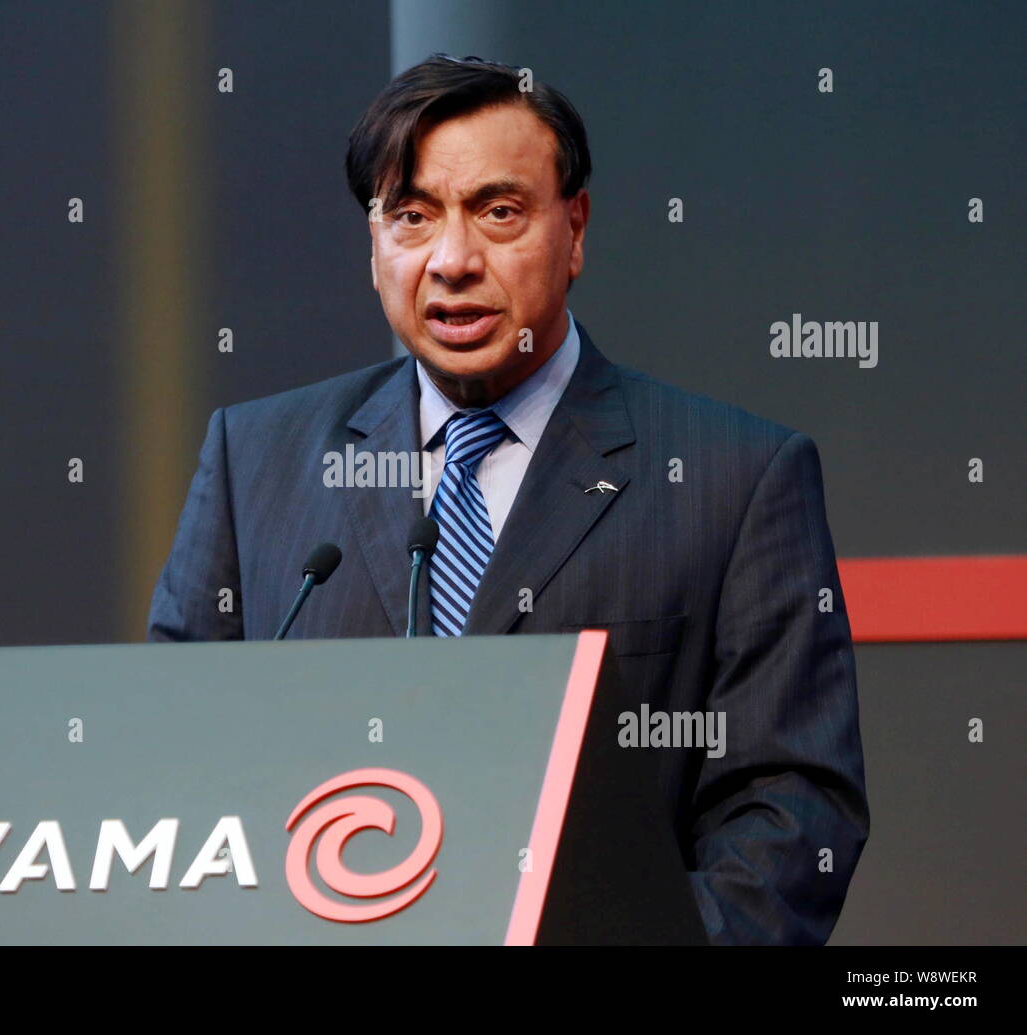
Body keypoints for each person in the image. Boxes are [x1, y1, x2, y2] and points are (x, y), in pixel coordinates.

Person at [148, 53, 868, 945]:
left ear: (575, 230)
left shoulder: (735, 476)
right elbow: (170, 764)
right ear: (374, 244)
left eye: (498, 212)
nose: (452, 260)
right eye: (411, 216)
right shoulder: (254, 459)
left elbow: (792, 811)